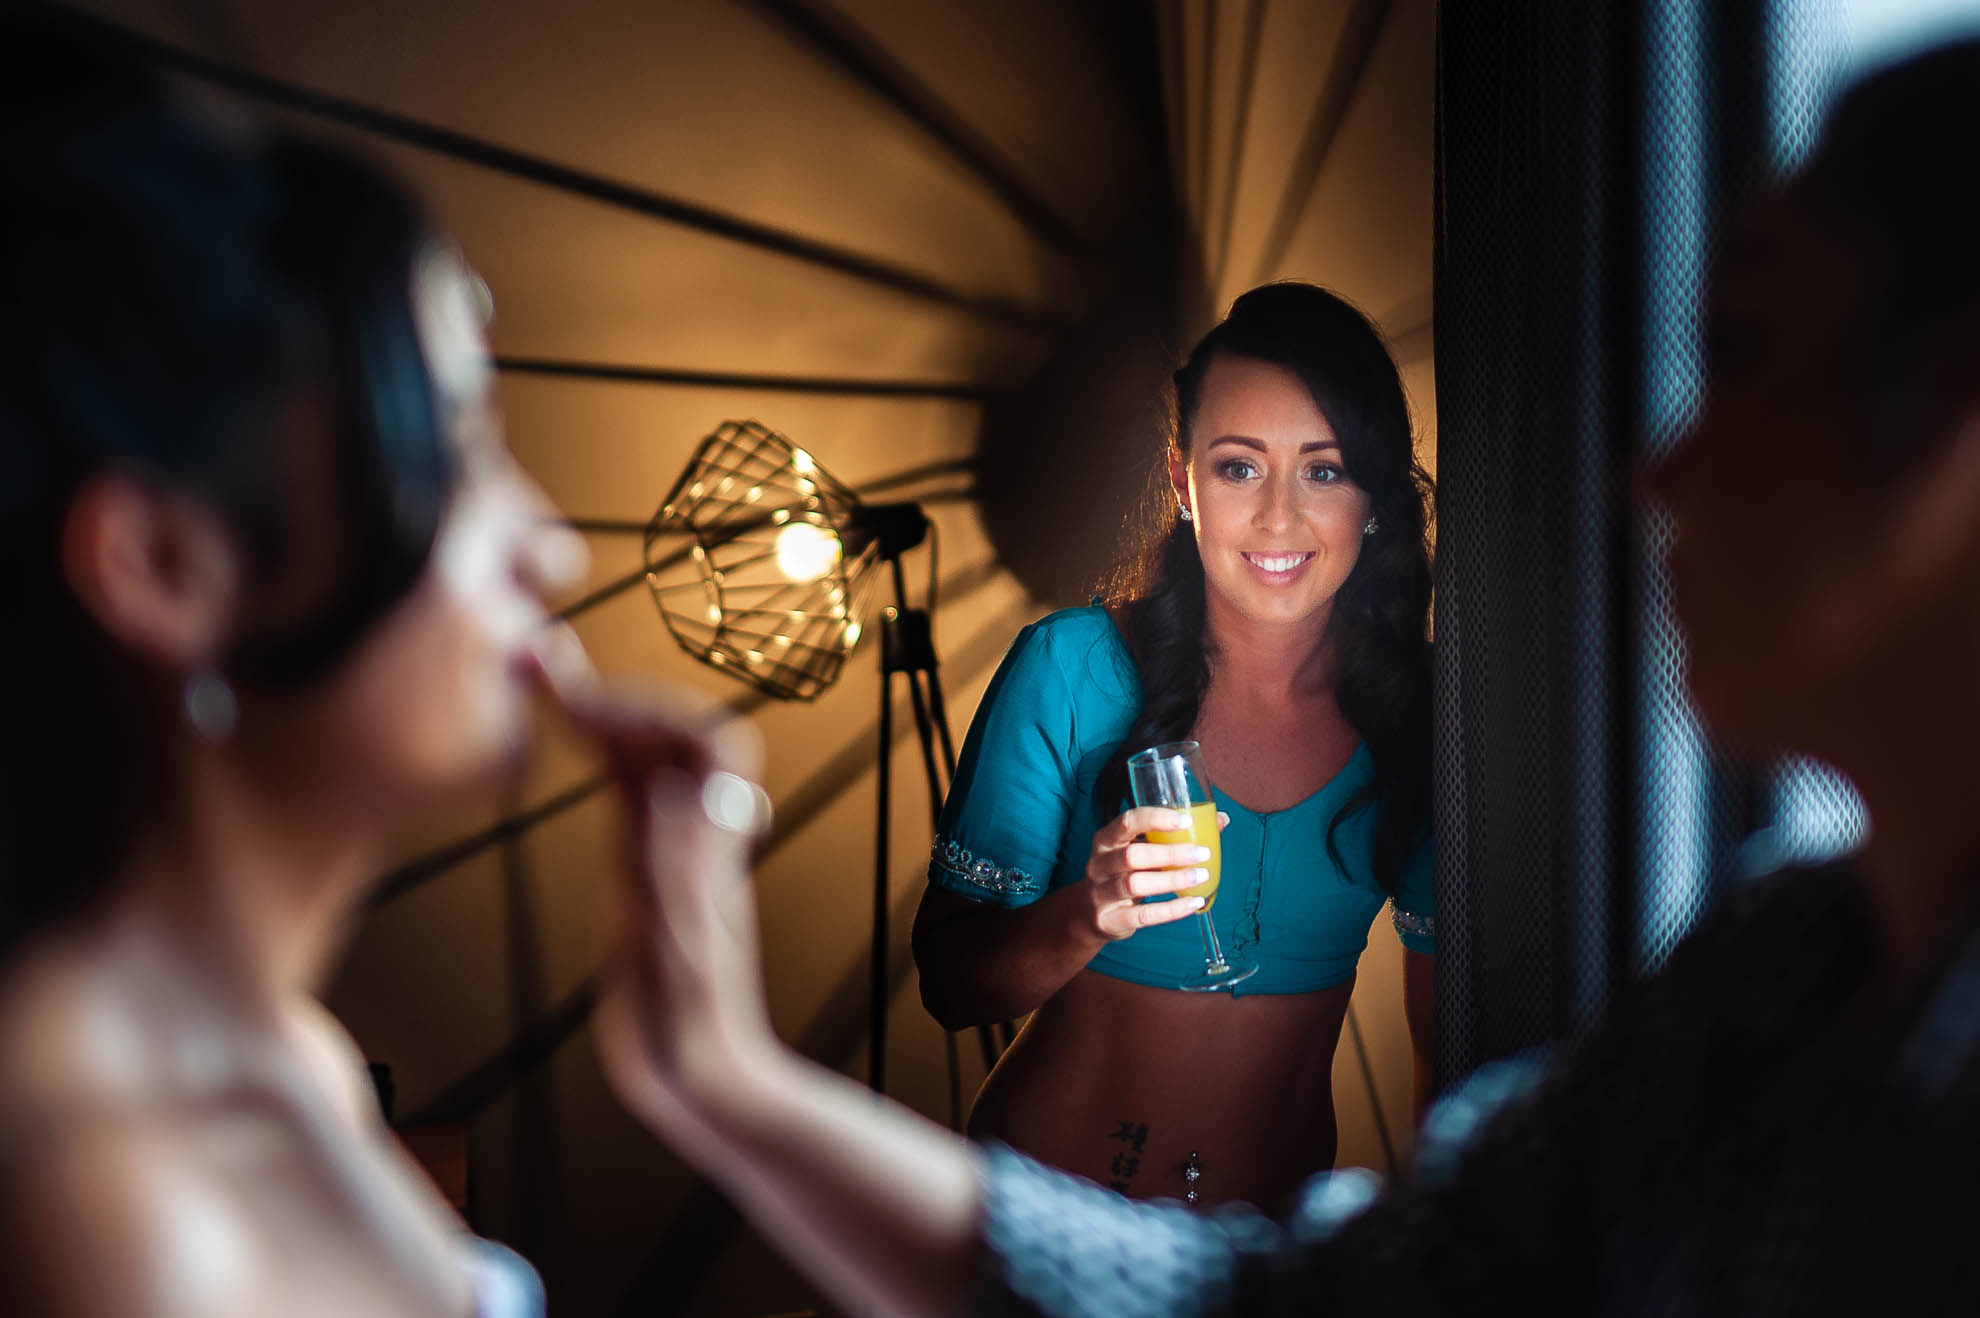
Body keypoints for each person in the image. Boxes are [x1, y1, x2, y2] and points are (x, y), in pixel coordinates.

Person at [585, 35, 1980, 1318]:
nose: (1653, 471)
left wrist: (726, 1082)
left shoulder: (1434, 728)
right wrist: (747, 1064)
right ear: (1185, 485)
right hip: (1071, 1191)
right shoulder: (1763, 975)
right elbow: (1375, 1273)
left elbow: (1434, 1106)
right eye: (1239, 466)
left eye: (1744, 353)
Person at [0, 16, 585, 1314]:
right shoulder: (97, 1211)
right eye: (460, 449)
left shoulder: (295, 1056)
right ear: (161, 563)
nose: (555, 546)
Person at [911, 283, 1437, 1207]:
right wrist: (1091, 910)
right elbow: (952, 987)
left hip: (1263, 1258)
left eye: (1324, 471)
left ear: (1375, 497)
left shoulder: (1420, 714)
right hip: (1044, 1226)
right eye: (1238, 468)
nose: (1278, 517)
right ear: (1180, 482)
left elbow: (1445, 1037)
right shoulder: (1071, 668)